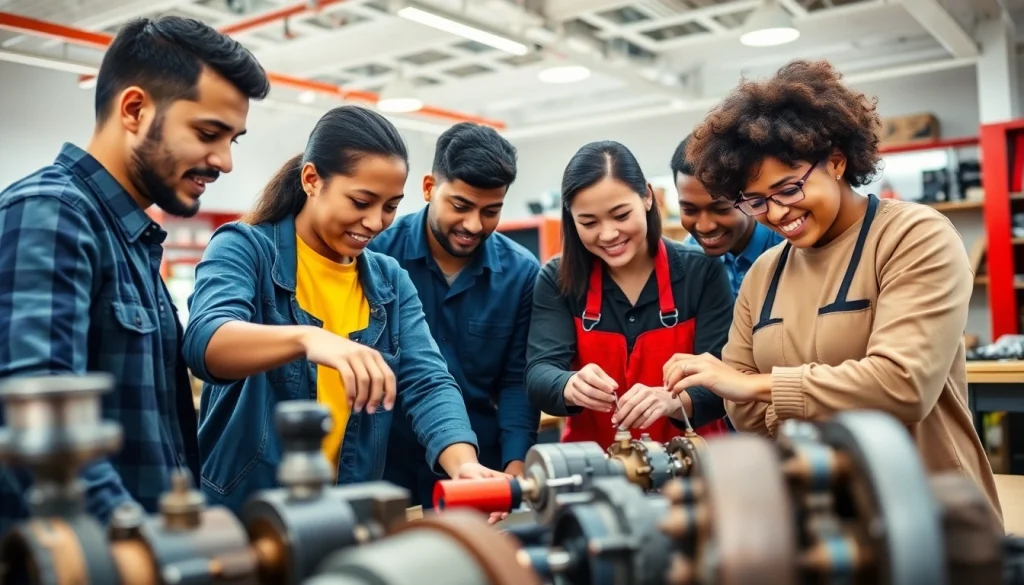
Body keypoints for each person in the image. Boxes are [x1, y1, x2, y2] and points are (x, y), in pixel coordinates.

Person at [663, 59, 1003, 526]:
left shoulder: (913, 236)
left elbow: (904, 385)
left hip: (929, 516)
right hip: (823, 525)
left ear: (837, 161)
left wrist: (761, 386)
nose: (777, 214)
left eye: (787, 188)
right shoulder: (764, 274)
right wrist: (764, 394)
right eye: (756, 201)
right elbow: (744, 415)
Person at [0, 16, 269, 532]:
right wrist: (138, 544)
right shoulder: (51, 214)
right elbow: (41, 432)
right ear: (135, 109)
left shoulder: (132, 240)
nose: (225, 161)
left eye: (233, 139)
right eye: (209, 133)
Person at [182, 105, 503, 514]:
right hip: (243, 514)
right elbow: (206, 341)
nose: (374, 222)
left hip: (345, 513)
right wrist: (307, 339)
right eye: (361, 201)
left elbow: (428, 382)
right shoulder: (245, 248)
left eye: (390, 206)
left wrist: (464, 465)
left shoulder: (389, 281)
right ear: (312, 180)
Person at [369, 122, 540, 506]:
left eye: (491, 211)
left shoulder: (521, 273)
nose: (473, 225)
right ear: (429, 188)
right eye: (460, 206)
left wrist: (516, 463)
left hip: (479, 466)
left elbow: (517, 380)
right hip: (384, 466)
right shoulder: (377, 257)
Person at [525, 140, 734, 446]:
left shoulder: (701, 273)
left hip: (694, 468)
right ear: (571, 219)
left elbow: (724, 380)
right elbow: (539, 373)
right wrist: (568, 384)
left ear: (647, 197)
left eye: (621, 215)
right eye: (589, 222)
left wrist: (674, 400)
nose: (608, 234)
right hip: (596, 468)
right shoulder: (558, 279)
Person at [672, 134, 783, 297]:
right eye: (690, 210)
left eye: (721, 209)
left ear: (749, 197)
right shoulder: (691, 259)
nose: (705, 226)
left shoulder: (789, 247)